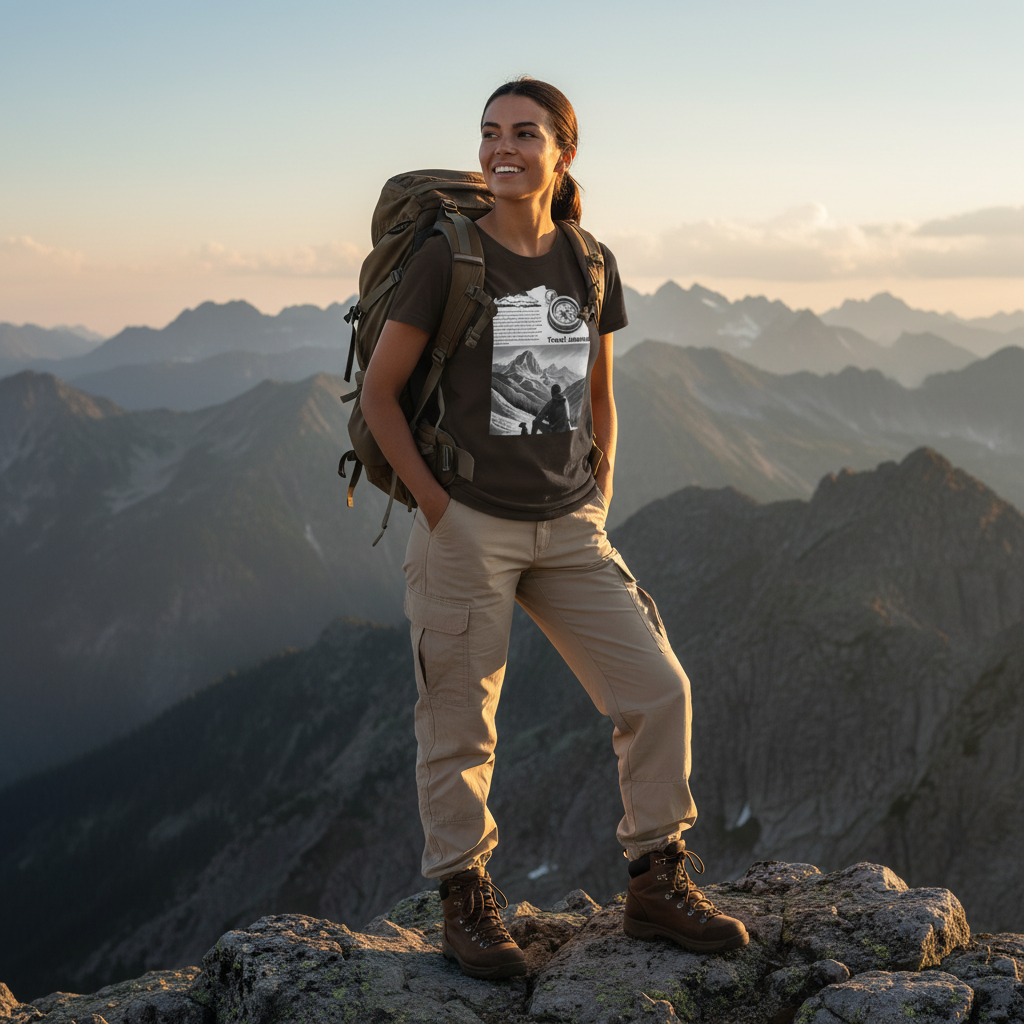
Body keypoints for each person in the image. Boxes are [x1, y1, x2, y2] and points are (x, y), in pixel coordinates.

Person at [360, 77, 748, 981]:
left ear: (562, 152)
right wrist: (441, 511)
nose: (503, 149)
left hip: (568, 526)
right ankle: (465, 900)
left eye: (524, 134)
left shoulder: (589, 258)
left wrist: (595, 499)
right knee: (460, 729)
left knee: (658, 691)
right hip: (468, 528)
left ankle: (655, 879)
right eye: (491, 133)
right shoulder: (448, 258)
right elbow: (381, 394)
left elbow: (601, 399)